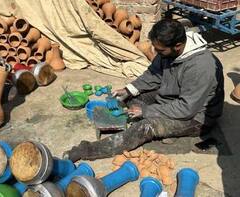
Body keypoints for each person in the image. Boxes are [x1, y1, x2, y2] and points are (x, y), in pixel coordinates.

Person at [63, 19, 224, 162]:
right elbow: (153, 74)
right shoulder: (168, 50)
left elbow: (186, 108)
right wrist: (129, 89)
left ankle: (86, 150)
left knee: (145, 127)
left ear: (178, 46)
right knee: (129, 98)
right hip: (174, 98)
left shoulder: (201, 67)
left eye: (160, 51)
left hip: (196, 117)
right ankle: (163, 127)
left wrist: (147, 111)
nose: (156, 53)